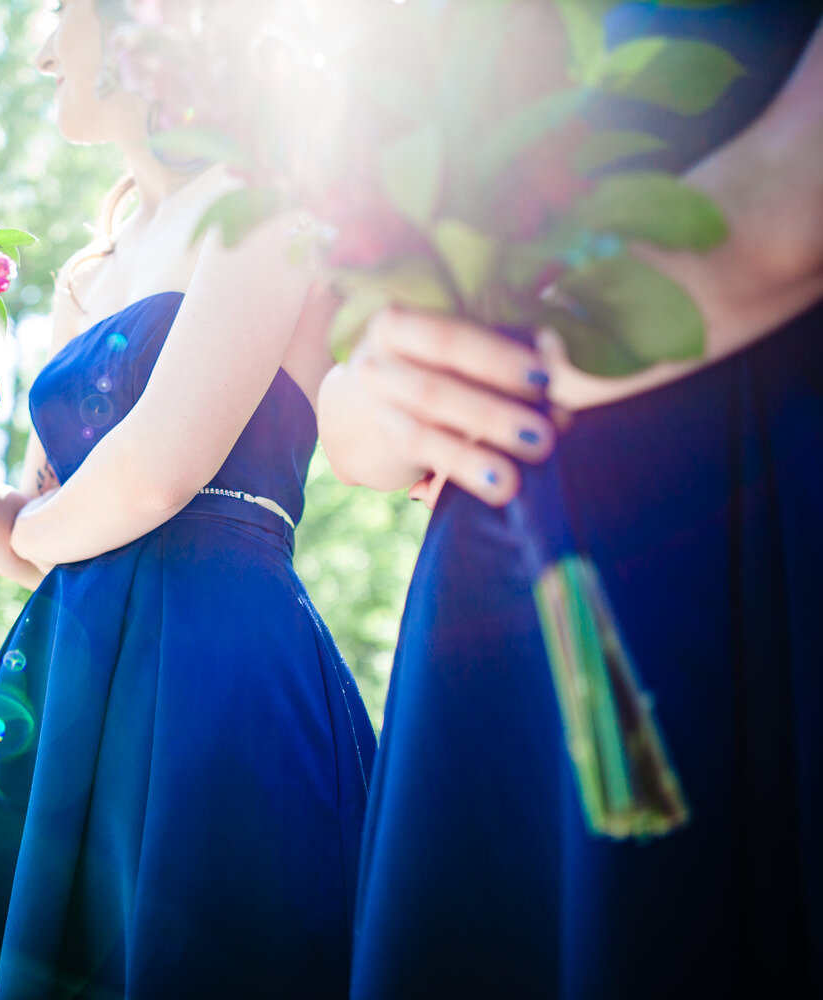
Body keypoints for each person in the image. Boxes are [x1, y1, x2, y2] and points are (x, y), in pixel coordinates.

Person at [0, 1, 374, 997]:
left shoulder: (267, 205)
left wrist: (44, 529)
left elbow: (160, 469)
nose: (42, 45)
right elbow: (33, 542)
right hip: (65, 681)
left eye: (58, 10)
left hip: (221, 664)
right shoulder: (85, 279)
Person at [317, 4, 823, 996]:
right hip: (489, 586)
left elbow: (786, 212)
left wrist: (532, 347)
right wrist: (387, 387)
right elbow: (353, 411)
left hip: (758, 489)